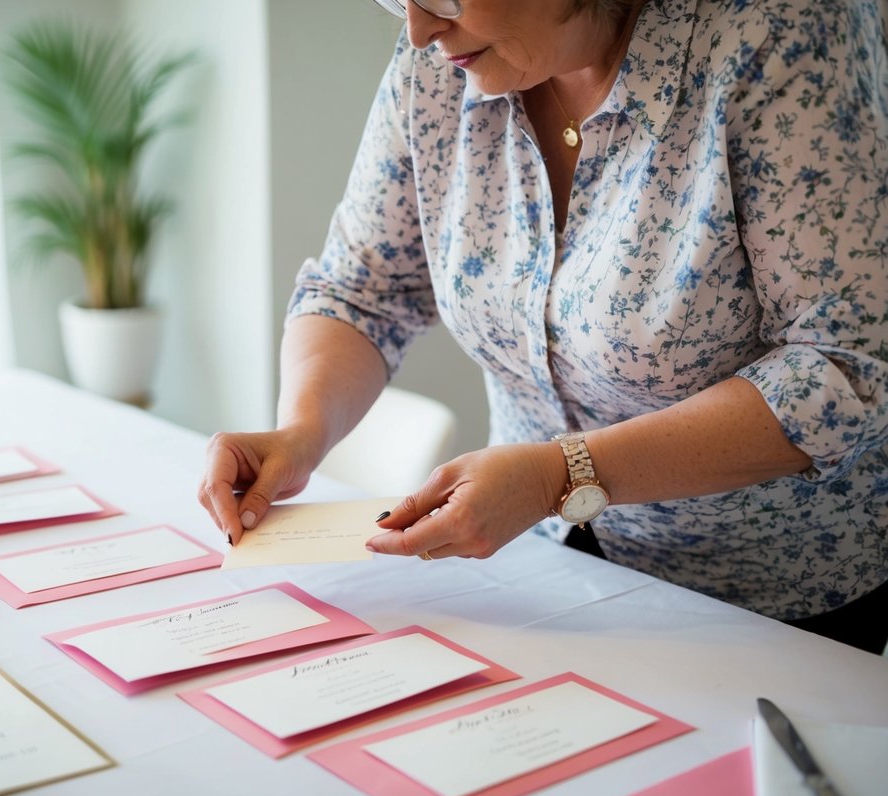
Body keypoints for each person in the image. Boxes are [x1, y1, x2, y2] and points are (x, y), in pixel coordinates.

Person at [197, 0, 888, 653]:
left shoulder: (781, 32)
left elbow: (844, 365)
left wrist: (560, 475)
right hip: (538, 570)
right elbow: (363, 286)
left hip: (768, 603)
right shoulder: (440, 61)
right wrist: (300, 431)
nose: (416, 30)